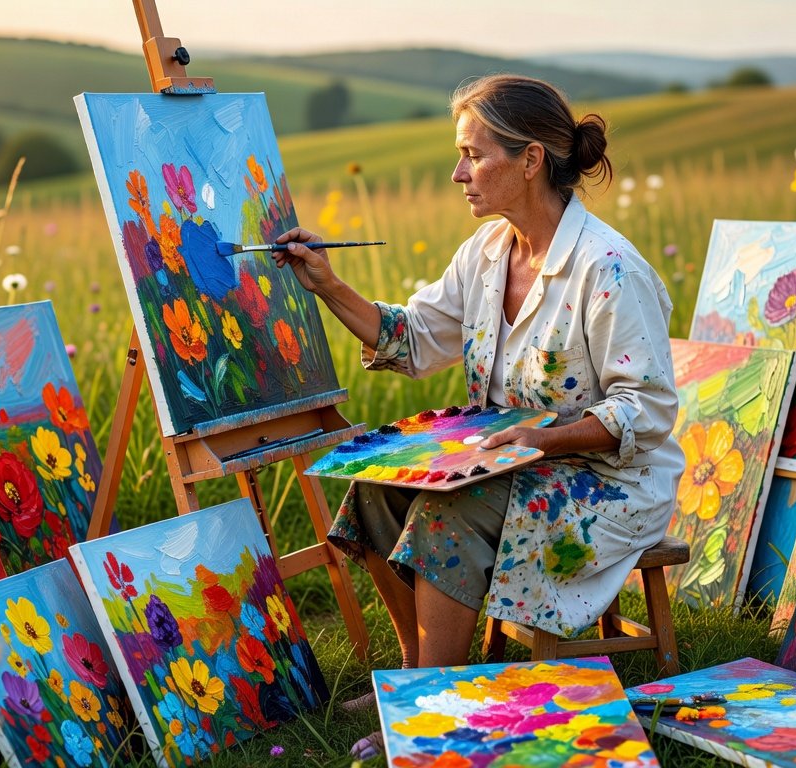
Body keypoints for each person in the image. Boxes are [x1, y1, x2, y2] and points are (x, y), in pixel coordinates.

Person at [273, 74, 685, 756]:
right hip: (510, 461)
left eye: (473, 154)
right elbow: (411, 339)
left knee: (449, 512)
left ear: (530, 161)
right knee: (374, 490)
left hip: (609, 480)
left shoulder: (608, 268)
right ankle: (418, 673)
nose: (458, 173)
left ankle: (430, 712)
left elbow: (647, 410)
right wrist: (328, 284)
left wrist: (544, 439)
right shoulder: (488, 252)